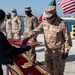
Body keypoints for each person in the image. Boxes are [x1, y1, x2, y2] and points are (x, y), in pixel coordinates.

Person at [24, 5, 72, 75]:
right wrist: (28, 37)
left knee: (58, 73)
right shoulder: (45, 21)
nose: (48, 19)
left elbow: (67, 39)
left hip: (58, 53)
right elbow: (36, 30)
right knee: (49, 71)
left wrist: (66, 52)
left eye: (50, 17)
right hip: (47, 52)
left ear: (54, 14)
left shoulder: (62, 23)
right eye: (47, 17)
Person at [0, 9, 38, 75]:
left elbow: (35, 28)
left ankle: (32, 61)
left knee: (30, 52)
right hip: (22, 35)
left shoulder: (33, 18)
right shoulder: (0, 35)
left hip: (28, 36)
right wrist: (28, 47)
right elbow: (11, 51)